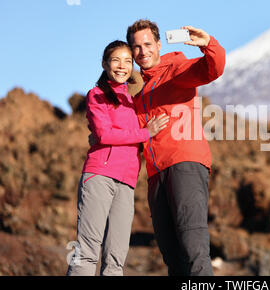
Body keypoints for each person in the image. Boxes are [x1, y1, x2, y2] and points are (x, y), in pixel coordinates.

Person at [126, 20, 226, 276]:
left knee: (194, 250)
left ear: (159, 45)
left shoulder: (176, 69)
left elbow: (212, 69)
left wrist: (209, 45)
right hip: (155, 175)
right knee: (172, 257)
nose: (143, 51)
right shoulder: (138, 92)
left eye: (148, 44)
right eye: (136, 47)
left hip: (185, 164)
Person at [67, 40, 169, 276]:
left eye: (127, 61)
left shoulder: (132, 103)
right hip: (100, 176)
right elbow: (103, 134)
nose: (122, 66)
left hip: (127, 183)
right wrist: (146, 132)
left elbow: (136, 139)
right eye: (116, 60)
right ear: (104, 64)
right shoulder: (97, 95)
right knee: (87, 251)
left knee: (116, 258)